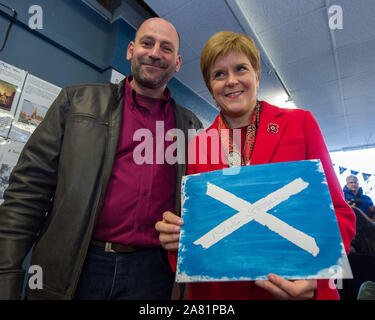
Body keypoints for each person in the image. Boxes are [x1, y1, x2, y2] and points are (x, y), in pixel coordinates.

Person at [0, 17, 202, 300]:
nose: (156, 53)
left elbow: (200, 206)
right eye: (147, 43)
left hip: (152, 273)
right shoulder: (76, 101)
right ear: (130, 50)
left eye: (166, 48)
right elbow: (28, 191)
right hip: (77, 263)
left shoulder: (192, 127)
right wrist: (6, 273)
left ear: (177, 63)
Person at [155, 31, 356, 300]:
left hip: (290, 286)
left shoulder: (301, 124)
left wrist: (319, 279)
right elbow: (196, 230)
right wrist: (177, 240)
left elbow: (340, 213)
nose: (232, 81)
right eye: (219, 74)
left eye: (241, 68)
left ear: (257, 75)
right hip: (219, 294)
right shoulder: (199, 145)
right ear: (210, 85)